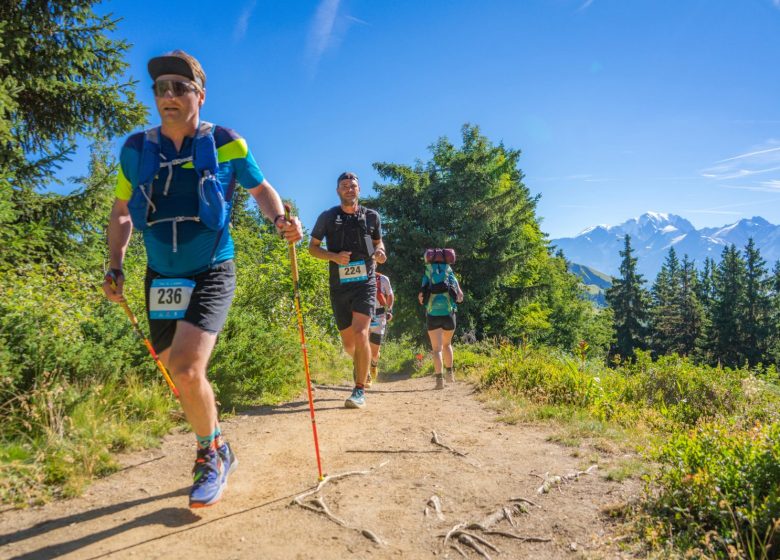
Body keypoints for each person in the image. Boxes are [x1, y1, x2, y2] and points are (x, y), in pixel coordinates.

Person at [102, 50, 302, 508]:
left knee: (189, 368)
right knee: (181, 375)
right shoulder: (136, 149)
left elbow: (261, 189)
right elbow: (121, 213)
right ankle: (218, 443)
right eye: (160, 88)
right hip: (160, 276)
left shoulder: (227, 141)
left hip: (212, 267)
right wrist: (116, 265)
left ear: (200, 95)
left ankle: (208, 455)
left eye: (178, 87)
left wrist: (279, 222)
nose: (167, 96)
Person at [309, 171, 386, 408]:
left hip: (366, 282)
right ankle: (365, 364)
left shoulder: (372, 217)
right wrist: (333, 256)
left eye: (353, 185)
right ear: (338, 191)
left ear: (359, 190)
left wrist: (381, 252)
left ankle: (359, 390)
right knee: (349, 345)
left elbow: (377, 243)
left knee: (362, 332)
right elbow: (312, 248)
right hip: (339, 286)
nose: (349, 189)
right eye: (344, 185)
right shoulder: (328, 217)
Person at [418, 256, 463, 389]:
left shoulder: (427, 274)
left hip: (433, 315)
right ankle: (450, 375)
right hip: (449, 315)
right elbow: (460, 297)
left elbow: (421, 298)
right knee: (447, 344)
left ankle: (439, 381)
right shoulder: (450, 274)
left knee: (436, 349)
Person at [367, 270, 394, 387]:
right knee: (363, 346)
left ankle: (373, 364)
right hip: (364, 315)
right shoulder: (359, 276)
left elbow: (390, 295)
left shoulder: (383, 279)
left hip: (379, 317)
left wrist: (390, 310)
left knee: (374, 352)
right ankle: (366, 375)